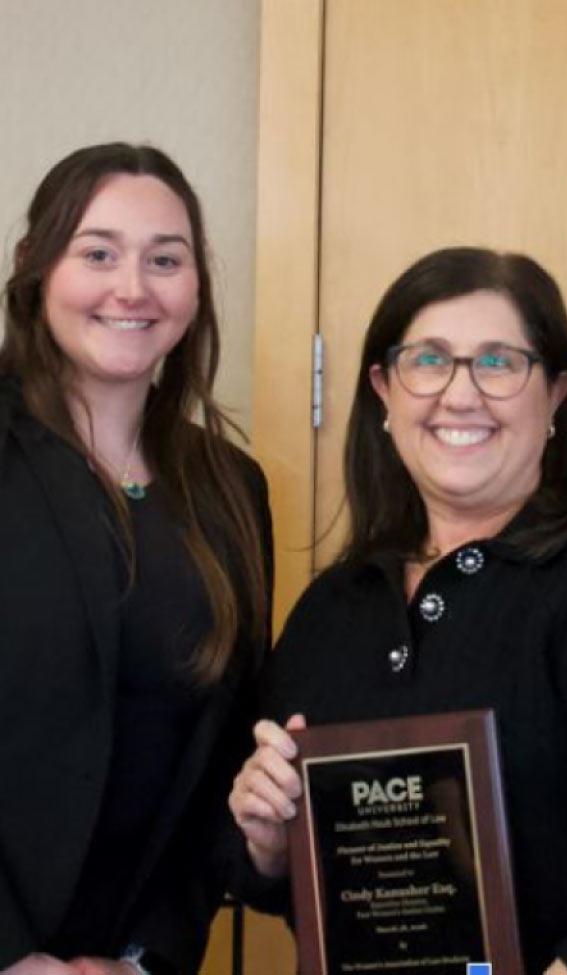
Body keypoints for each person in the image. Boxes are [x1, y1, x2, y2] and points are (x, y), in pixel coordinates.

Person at [228, 246, 567, 973]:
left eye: (499, 363)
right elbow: (287, 881)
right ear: (384, 392)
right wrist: (267, 843)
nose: (460, 394)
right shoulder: (332, 610)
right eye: (428, 360)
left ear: (556, 395)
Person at [0, 144, 272, 975]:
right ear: (37, 268)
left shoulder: (231, 487)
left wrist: (144, 958)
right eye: (98, 253)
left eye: (165, 259)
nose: (132, 288)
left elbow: (225, 754)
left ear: (195, 287)